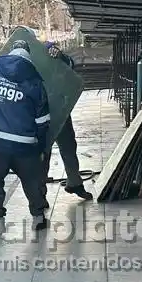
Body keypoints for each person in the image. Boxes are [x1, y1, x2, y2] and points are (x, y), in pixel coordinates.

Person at [0, 39, 51, 233]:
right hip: (23, 145)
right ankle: (38, 217)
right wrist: (41, 146)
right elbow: (42, 121)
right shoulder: (35, 82)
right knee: (30, 180)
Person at [44, 40, 92, 200]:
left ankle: (75, 183)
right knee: (43, 153)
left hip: (60, 111)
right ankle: (39, 194)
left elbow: (70, 65)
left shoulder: (57, 60)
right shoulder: (29, 64)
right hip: (41, 114)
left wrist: (60, 56)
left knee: (69, 147)